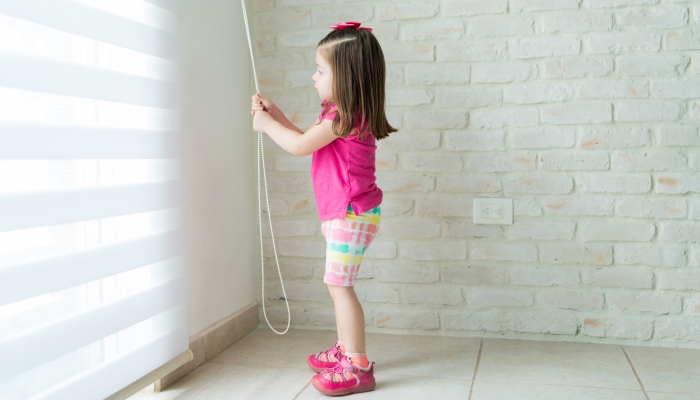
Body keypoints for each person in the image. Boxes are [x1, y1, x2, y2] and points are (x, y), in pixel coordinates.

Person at [250, 20, 396, 396]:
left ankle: (358, 363)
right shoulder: (340, 113)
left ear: (344, 76)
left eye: (319, 70)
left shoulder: (343, 117)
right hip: (349, 213)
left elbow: (298, 148)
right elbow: (305, 140)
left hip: (351, 213)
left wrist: (266, 126)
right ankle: (347, 350)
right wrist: (277, 115)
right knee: (337, 284)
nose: (313, 77)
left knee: (339, 285)